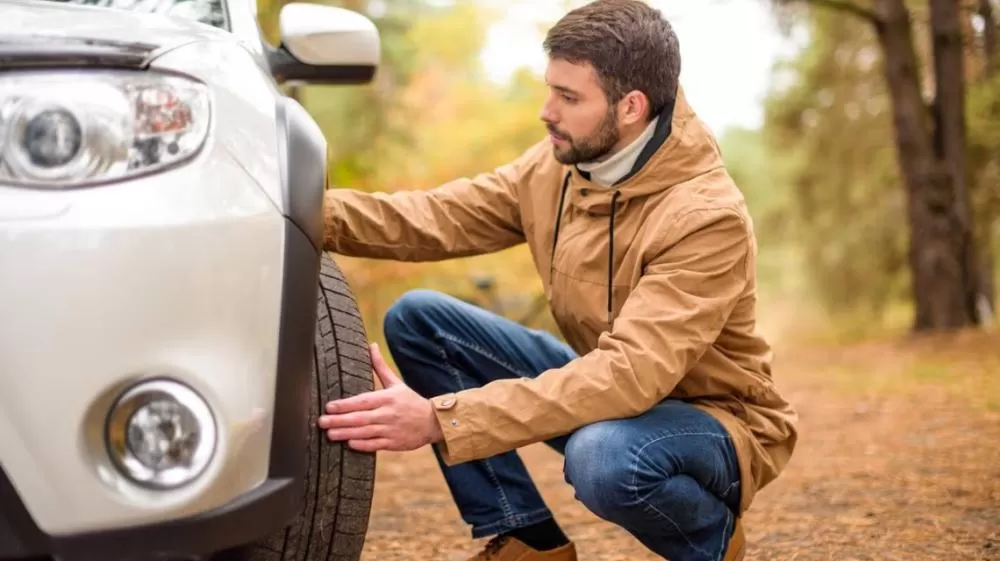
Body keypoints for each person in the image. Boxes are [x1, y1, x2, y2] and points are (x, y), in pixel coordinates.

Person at [316, 1, 799, 560]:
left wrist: (440, 419)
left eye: (569, 98)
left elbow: (628, 377)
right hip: (611, 390)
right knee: (421, 320)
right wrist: (301, 211)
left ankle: (708, 539)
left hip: (714, 424)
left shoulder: (706, 217)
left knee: (602, 458)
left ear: (632, 107)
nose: (547, 111)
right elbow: (434, 218)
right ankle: (529, 541)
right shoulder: (558, 167)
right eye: (551, 89)